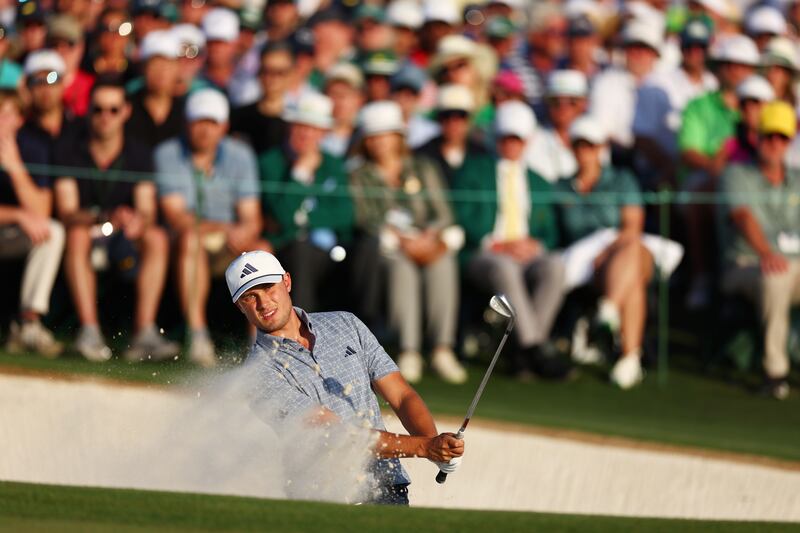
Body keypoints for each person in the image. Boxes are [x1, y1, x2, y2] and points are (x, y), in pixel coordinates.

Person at [225, 250, 464, 505]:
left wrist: (436, 446)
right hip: (326, 500)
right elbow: (339, 435)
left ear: (287, 281)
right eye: (250, 297)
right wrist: (425, 447)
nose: (263, 303)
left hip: (389, 488)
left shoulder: (345, 323)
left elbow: (401, 395)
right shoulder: (257, 374)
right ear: (240, 306)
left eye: (268, 288)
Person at [54, 77, 176, 363]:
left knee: (157, 237)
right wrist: (104, 215)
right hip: (88, 230)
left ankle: (144, 333)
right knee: (77, 234)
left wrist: (136, 220)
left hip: (124, 234)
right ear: (88, 111)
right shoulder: (69, 149)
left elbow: (147, 210)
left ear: (126, 112)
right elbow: (67, 212)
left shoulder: (138, 153)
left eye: (113, 109)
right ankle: (89, 332)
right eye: (98, 109)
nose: (105, 117)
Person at [349, 100, 467, 384]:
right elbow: (364, 218)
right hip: (389, 246)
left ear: (398, 137)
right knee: (401, 268)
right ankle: (408, 349)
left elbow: (443, 212)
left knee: (444, 264)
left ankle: (442, 349)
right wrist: (401, 239)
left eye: (386, 135)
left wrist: (429, 237)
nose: (379, 142)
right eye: (373, 136)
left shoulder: (423, 167)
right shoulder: (358, 174)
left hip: (427, 241)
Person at [454, 101, 570, 381]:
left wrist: (534, 245)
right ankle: (534, 348)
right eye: (506, 138)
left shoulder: (539, 181)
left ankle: (523, 351)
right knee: (505, 268)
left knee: (555, 266)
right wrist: (495, 244)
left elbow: (550, 232)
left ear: (526, 142)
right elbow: (461, 216)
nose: (511, 145)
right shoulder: (474, 171)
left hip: (526, 254)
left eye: (516, 139)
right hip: (486, 253)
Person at [156, 88, 267, 367]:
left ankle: (262, 343)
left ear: (224, 127)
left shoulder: (241, 156)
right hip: (185, 241)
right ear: (187, 124)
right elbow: (177, 218)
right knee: (190, 239)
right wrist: (228, 228)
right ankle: (198, 337)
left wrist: (242, 232)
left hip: (226, 242)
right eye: (199, 122)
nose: (205, 130)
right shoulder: (168, 153)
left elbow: (251, 218)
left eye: (212, 123)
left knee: (262, 250)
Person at [555, 116, 653, 389]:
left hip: (620, 253)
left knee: (632, 251)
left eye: (591, 145)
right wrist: (594, 253)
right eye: (579, 145)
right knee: (633, 280)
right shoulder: (561, 186)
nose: (584, 151)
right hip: (583, 265)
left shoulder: (622, 179)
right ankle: (629, 358)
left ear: (601, 148)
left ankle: (609, 309)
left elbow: (632, 227)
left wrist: (605, 250)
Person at [718, 101, 800, 400]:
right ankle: (775, 373)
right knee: (775, 277)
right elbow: (742, 217)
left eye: (782, 137)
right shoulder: (736, 174)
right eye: (769, 136)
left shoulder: (797, 179)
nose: (775, 144)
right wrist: (766, 253)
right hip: (746, 264)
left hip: (794, 266)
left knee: (782, 273)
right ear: (757, 137)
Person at [679, 34, 759, 309]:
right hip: (712, 179)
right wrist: (718, 170)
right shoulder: (699, 105)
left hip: (751, 179)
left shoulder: (763, 105)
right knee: (702, 197)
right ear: (719, 67)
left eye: (743, 65)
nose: (736, 71)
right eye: (730, 64)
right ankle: (703, 277)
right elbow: (689, 151)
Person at [259, 91, 353, 312]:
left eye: (313, 128)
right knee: (301, 251)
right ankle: (304, 322)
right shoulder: (271, 162)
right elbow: (281, 215)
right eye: (300, 126)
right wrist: (299, 174)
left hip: (329, 249)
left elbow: (345, 215)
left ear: (323, 133)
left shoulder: (333, 164)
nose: (305, 134)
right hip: (286, 246)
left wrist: (303, 217)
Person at [0, 89, 64, 357]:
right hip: (9, 225)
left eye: (8, 114)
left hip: (11, 236)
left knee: (53, 232)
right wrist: (17, 215)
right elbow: (26, 215)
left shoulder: (32, 147)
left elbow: (41, 211)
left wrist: (14, 166)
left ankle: (28, 323)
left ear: (19, 120)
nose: (1, 120)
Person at [633, 17, 717, 190]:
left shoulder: (713, 84)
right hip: (659, 172)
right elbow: (642, 137)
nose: (694, 52)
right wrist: (671, 169)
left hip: (702, 172)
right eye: (689, 46)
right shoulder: (657, 82)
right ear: (680, 47)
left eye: (700, 47)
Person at [417, 84, 487, 187]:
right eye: (446, 116)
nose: (453, 123)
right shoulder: (423, 156)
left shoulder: (482, 156)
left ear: (469, 120)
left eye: (460, 117)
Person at [230, 41, 292, 157]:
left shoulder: (294, 124)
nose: (272, 78)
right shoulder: (238, 117)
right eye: (266, 71)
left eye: (279, 72)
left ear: (290, 75)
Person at [125, 30, 186, 149]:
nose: (161, 72)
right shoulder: (125, 109)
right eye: (154, 64)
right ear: (143, 68)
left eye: (167, 65)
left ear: (177, 68)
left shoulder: (186, 111)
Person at [526, 69, 588, 184]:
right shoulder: (533, 140)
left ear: (584, 103)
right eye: (555, 101)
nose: (563, 108)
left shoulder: (596, 138)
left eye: (572, 101)